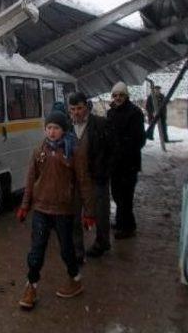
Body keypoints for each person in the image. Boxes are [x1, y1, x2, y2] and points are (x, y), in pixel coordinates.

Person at [16, 111, 96, 309]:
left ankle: (75, 279)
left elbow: (84, 182)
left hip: (64, 210)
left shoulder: (73, 151)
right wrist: (25, 206)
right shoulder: (39, 151)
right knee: (36, 250)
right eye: (49, 128)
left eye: (56, 128)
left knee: (67, 250)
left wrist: (89, 212)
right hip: (41, 208)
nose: (52, 132)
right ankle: (31, 286)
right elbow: (30, 180)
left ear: (64, 130)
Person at [68, 92, 112, 259]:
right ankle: (77, 250)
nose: (76, 112)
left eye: (79, 108)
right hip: (75, 179)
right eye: (73, 109)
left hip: (96, 176)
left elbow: (112, 149)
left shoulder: (100, 124)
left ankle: (102, 242)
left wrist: (105, 171)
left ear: (86, 106)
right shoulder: (66, 126)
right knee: (74, 215)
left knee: (100, 213)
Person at [107, 82, 146, 239]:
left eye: (121, 95)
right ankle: (120, 221)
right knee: (116, 194)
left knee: (126, 196)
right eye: (115, 95)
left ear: (126, 96)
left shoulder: (135, 113)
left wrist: (124, 146)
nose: (118, 98)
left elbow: (139, 139)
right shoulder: (111, 113)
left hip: (129, 163)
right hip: (115, 163)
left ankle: (128, 227)